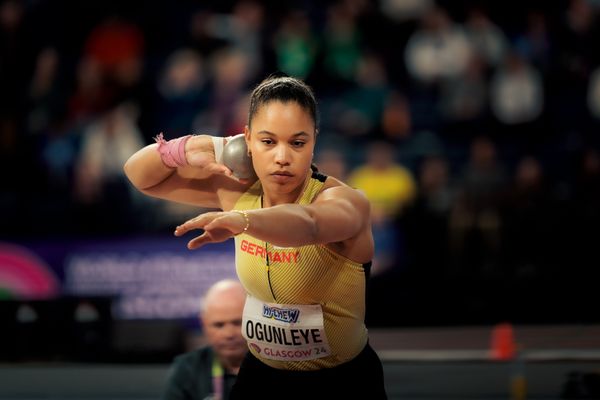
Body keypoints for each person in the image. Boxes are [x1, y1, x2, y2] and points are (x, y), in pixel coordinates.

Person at [124, 74, 388, 399]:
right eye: (268, 141)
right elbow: (139, 175)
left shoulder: (345, 202)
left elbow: (310, 224)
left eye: (297, 142)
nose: (282, 157)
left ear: (314, 140)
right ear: (246, 139)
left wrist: (242, 221)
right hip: (262, 375)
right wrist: (196, 146)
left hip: (342, 382)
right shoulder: (237, 191)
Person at [161, 279, 247, 400]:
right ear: (204, 324)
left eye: (238, 323)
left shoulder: (277, 365)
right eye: (219, 325)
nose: (229, 334)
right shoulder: (187, 369)